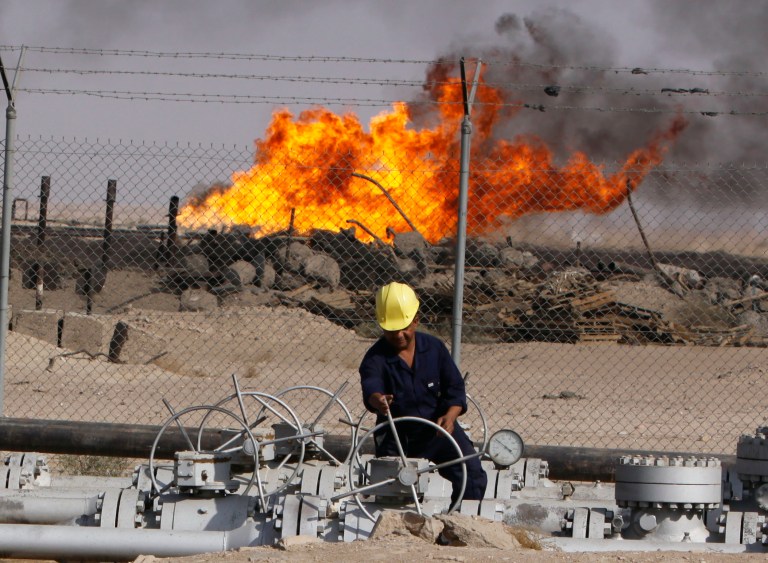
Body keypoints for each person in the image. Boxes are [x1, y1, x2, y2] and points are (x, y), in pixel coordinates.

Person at [359, 281, 488, 505]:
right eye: (391, 330)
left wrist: (451, 416)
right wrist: (378, 399)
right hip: (397, 438)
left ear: (416, 321)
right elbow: (371, 384)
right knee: (393, 489)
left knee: (472, 473)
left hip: (437, 431)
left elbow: (455, 387)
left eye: (404, 327)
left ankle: (460, 528)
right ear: (382, 327)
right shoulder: (375, 358)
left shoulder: (435, 349)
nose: (398, 334)